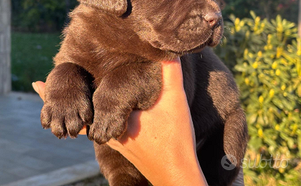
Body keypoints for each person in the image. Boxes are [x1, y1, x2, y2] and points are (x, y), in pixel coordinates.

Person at [32, 58, 244, 185]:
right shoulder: (90, 23)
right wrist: (65, 80)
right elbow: (70, 60)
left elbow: (162, 80)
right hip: (120, 157)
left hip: (211, 142)